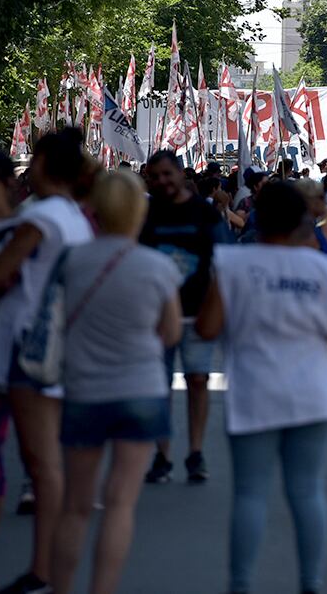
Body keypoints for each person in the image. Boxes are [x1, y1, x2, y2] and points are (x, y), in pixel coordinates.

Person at [197, 181, 327, 594]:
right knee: (307, 492)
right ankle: (311, 583)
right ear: (303, 221)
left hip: (253, 391)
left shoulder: (231, 264)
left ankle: (241, 584)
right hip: (312, 394)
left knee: (250, 495)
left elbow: (208, 327)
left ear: (257, 216)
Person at [50, 171, 183, 594]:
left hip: (84, 390)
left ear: (94, 210)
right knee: (121, 502)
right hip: (141, 389)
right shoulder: (158, 266)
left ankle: (61, 588)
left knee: (75, 506)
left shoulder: (71, 262)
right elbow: (172, 332)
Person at [0, 128, 95, 594]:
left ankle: (42, 568)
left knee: (41, 462)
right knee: (47, 461)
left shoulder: (42, 218)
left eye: (33, 159)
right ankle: (46, 567)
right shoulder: (73, 216)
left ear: (47, 165)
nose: (26, 167)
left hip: (29, 346)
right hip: (58, 344)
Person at [141, 150, 232, 486]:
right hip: (156, 318)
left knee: (198, 380)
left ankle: (195, 452)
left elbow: (225, 260)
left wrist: (217, 309)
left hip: (197, 314)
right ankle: (162, 455)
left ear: (181, 174)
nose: (162, 180)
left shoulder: (203, 214)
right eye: (155, 175)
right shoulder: (145, 214)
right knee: (159, 386)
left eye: (167, 173)